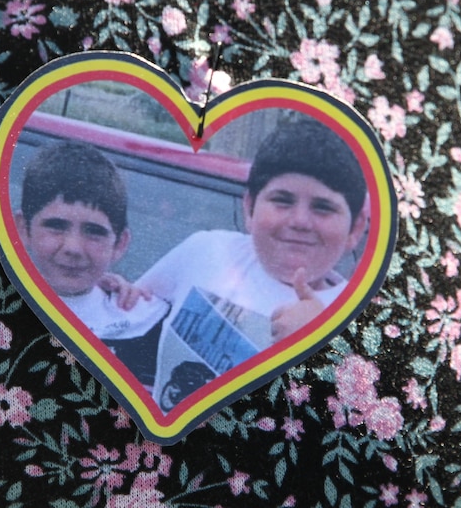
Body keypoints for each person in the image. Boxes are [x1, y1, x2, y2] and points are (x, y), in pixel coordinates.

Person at [136, 118, 368, 410]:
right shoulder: (207, 249)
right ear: (249, 207)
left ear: (356, 228)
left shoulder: (356, 313)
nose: (299, 221)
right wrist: (114, 288)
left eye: (323, 207)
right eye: (282, 200)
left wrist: (322, 344)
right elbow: (128, 313)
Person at [14, 140, 169, 385]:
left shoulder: (148, 325)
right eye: (56, 226)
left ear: (120, 243)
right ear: (23, 228)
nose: (73, 248)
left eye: (94, 231)